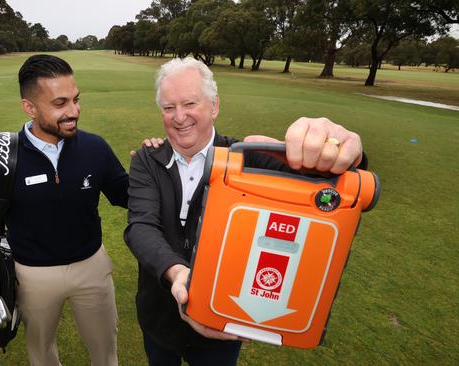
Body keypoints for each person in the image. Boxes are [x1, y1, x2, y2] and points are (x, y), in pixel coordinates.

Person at [123, 57, 366, 365]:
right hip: (158, 314)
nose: (179, 116)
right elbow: (141, 227)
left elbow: (330, 183)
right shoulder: (146, 159)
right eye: (169, 108)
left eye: (190, 103)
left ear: (214, 106)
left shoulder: (248, 159)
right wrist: (179, 274)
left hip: (223, 319)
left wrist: (341, 148)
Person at [0, 54, 129, 366]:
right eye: (60, 103)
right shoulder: (0, 157)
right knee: (41, 351)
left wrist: (157, 166)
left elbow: (127, 195)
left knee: (105, 348)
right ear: (30, 107)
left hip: (92, 268)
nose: (74, 111)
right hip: (31, 275)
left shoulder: (95, 147)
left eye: (76, 100)